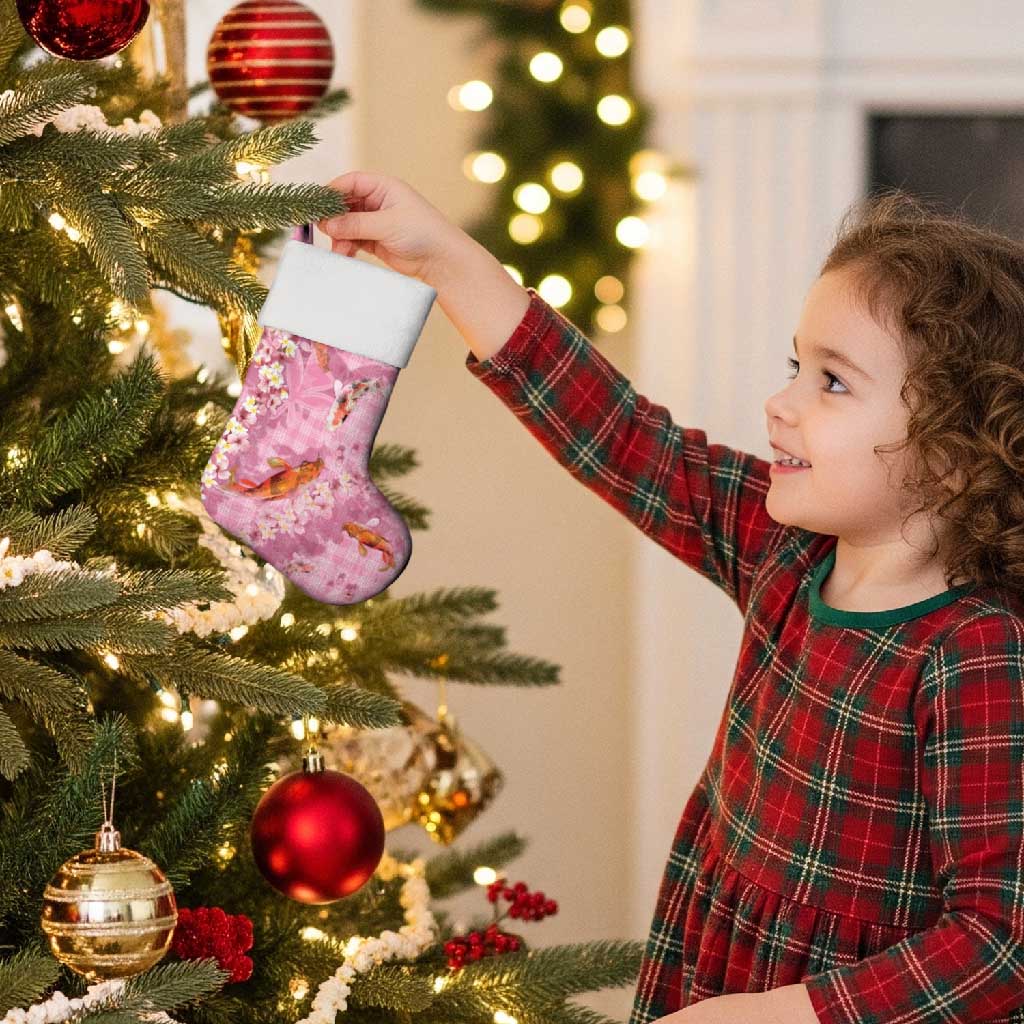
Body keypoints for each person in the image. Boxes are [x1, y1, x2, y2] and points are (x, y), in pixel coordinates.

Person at [317, 175, 1024, 1024]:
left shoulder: (977, 653)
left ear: (955, 454)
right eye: (796, 367)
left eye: (833, 383)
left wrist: (774, 1016)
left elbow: (999, 942)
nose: (781, 404)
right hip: (713, 966)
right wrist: (447, 259)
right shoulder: (788, 551)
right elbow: (624, 437)